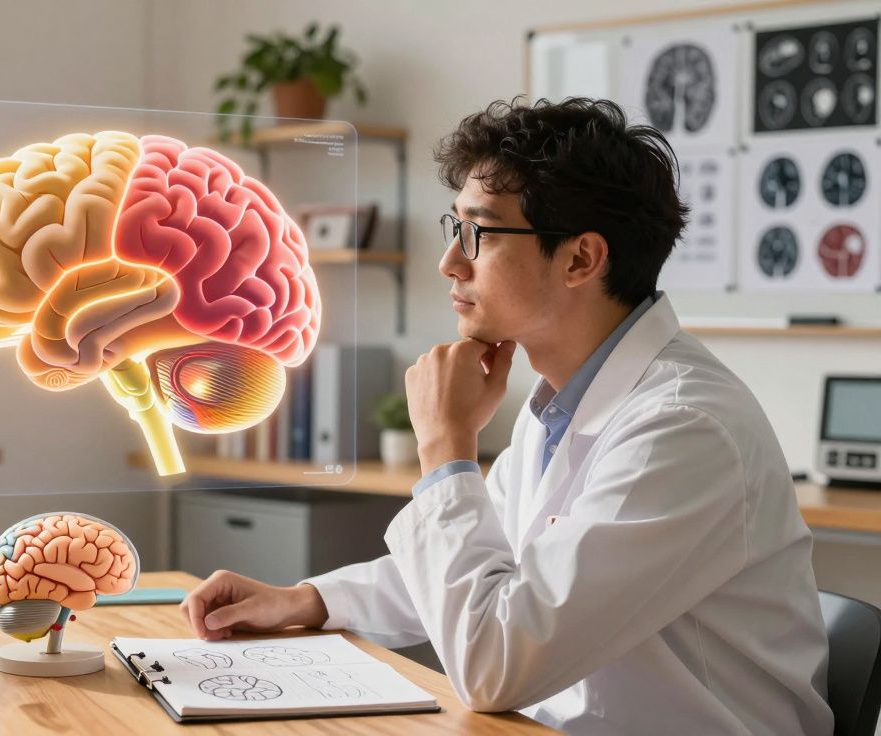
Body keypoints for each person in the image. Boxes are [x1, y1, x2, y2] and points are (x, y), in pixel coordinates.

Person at [179, 97, 832, 735]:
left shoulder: (685, 431)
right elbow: (484, 569)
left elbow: (494, 664)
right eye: (453, 227)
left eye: (478, 233)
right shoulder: (561, 400)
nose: (450, 262)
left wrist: (446, 448)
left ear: (581, 258)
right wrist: (307, 600)